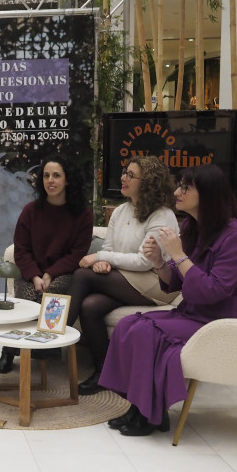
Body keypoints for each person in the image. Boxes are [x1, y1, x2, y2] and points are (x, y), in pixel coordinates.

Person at [99, 164, 237, 436]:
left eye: (185, 187)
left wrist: (178, 254)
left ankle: (148, 414)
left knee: (147, 331)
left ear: (207, 194)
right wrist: (160, 261)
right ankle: (140, 408)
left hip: (222, 320)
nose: (177, 191)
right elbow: (177, 283)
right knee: (126, 326)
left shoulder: (235, 235)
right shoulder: (193, 226)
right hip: (194, 312)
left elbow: (212, 290)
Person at [66, 156, 179, 394]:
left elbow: (143, 261)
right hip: (125, 280)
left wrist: (99, 259)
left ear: (147, 182)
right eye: (124, 172)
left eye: (130, 174)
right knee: (90, 305)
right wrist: (102, 263)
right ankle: (104, 373)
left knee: (82, 275)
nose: (122, 178)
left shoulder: (163, 216)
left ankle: (56, 332)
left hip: (157, 282)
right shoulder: (119, 211)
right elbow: (108, 249)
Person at [0, 154, 93, 373]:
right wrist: (34, 276)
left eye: (57, 175)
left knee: (53, 296)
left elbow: (77, 253)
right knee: (29, 297)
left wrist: (50, 274)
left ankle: (44, 348)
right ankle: (10, 349)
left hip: (62, 274)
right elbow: (20, 250)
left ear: (67, 179)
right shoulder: (30, 211)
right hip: (31, 273)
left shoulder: (82, 214)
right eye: (47, 176)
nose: (51, 180)